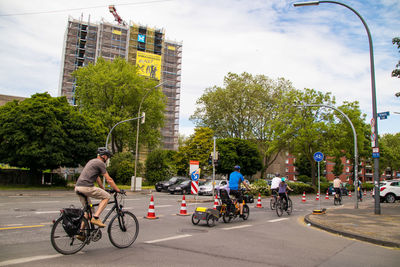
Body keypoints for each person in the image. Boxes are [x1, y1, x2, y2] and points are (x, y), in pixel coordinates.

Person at [75, 147, 122, 227]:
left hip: (78, 188)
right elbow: (109, 179)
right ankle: (96, 218)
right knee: (107, 196)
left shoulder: (92, 161)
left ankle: (81, 233)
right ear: (104, 156)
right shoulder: (100, 163)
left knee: (89, 212)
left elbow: (97, 177)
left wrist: (102, 188)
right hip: (87, 187)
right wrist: (117, 190)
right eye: (108, 156)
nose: (107, 159)